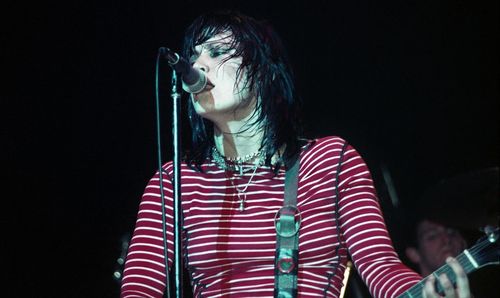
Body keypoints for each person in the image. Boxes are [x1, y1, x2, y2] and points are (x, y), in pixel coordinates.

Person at [120, 10, 471, 297]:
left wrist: (427, 292)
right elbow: (138, 288)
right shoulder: (173, 182)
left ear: (263, 70)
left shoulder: (331, 161)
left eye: (216, 52)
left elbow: (380, 268)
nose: (198, 64)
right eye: (194, 54)